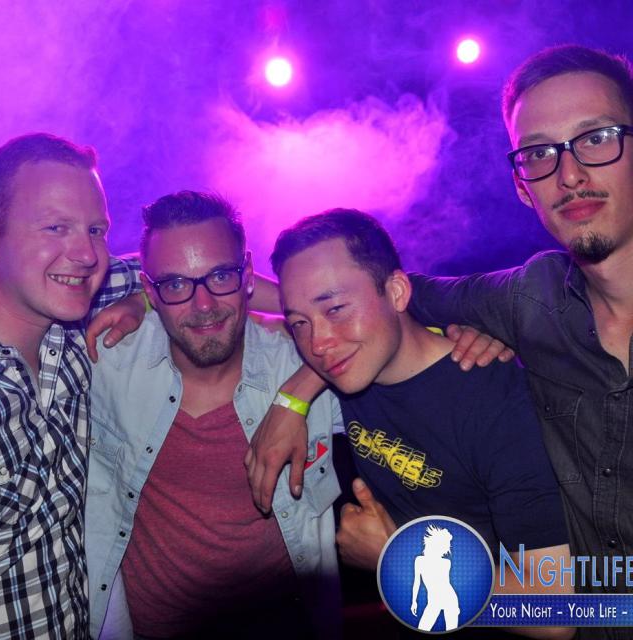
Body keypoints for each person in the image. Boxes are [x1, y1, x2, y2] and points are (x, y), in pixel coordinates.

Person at [270, 208, 573, 639]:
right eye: (299, 323)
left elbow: (556, 613)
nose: (317, 343)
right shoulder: (355, 368)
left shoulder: (496, 404)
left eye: (335, 308)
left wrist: (395, 557)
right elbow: (225, 304)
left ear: (397, 292)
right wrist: (290, 401)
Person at [405, 45, 633, 612]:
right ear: (522, 186)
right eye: (539, 153)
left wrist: (393, 556)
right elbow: (378, 299)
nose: (570, 174)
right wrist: (294, 398)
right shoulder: (532, 299)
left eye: (597, 137)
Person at [85, 191, 343, 639]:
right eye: (176, 285)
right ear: (151, 291)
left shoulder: (302, 363)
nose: (203, 305)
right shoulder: (107, 363)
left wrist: (295, 396)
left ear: (247, 275)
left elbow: (386, 333)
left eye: (220, 275)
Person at [0, 133, 142, 639]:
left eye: (96, 230)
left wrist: (146, 298)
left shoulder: (70, 330)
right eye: (56, 227)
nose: (86, 254)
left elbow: (193, 276)